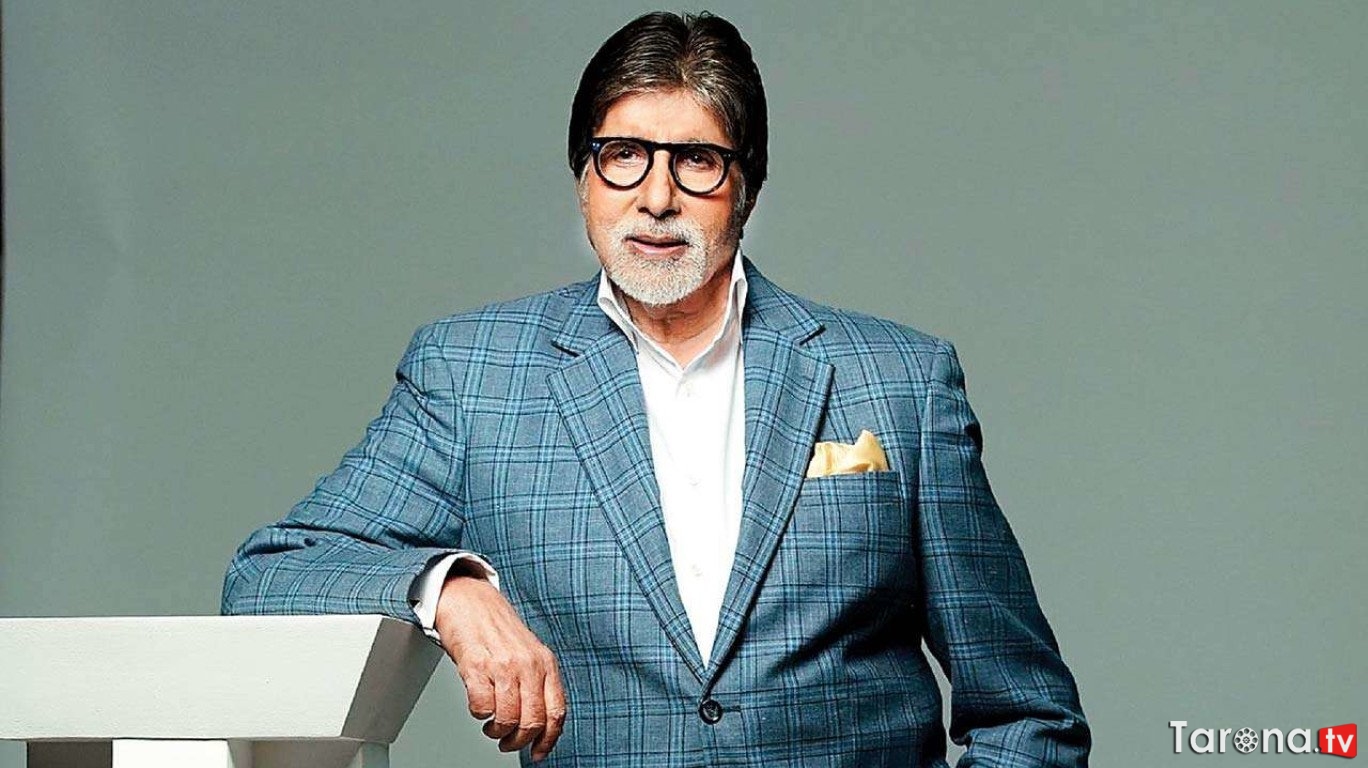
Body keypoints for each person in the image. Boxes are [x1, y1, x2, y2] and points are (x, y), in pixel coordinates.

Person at [223, 11, 1090, 766]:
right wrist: (449, 591)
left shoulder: (899, 381)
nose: (657, 197)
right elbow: (270, 577)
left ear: (746, 186)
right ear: (583, 178)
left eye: (697, 161)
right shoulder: (473, 375)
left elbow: (1026, 713)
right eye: (624, 157)